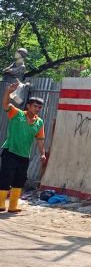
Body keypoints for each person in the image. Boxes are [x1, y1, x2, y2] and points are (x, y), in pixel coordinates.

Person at [0, 80, 47, 214]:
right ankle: (1, 204)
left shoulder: (39, 122)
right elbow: (5, 105)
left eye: (39, 107)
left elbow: (40, 139)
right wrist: (8, 92)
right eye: (35, 106)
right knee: (6, 177)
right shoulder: (17, 114)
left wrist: (42, 153)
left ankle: (13, 205)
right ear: (28, 106)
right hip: (10, 151)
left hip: (24, 155)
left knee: (20, 179)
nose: (37, 109)